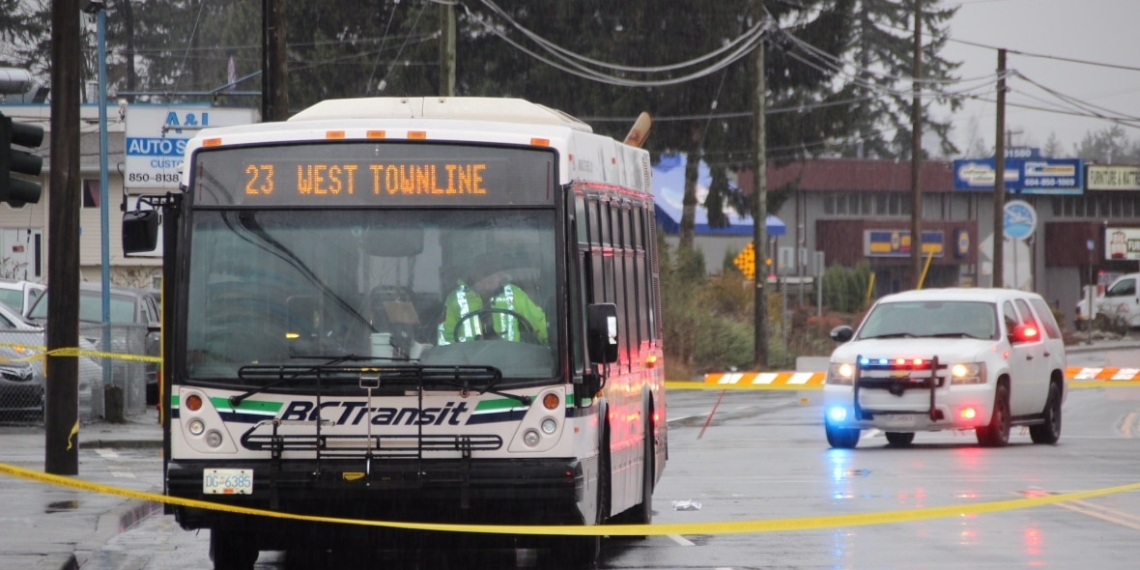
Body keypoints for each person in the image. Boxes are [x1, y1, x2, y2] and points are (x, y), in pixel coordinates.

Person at [437, 258, 548, 346]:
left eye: (495, 272)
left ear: (501, 275)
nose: (491, 277)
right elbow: (445, 338)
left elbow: (539, 322)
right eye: (485, 273)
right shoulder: (456, 299)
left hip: (511, 363)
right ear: (474, 275)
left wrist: (552, 347)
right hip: (469, 363)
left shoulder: (514, 294)